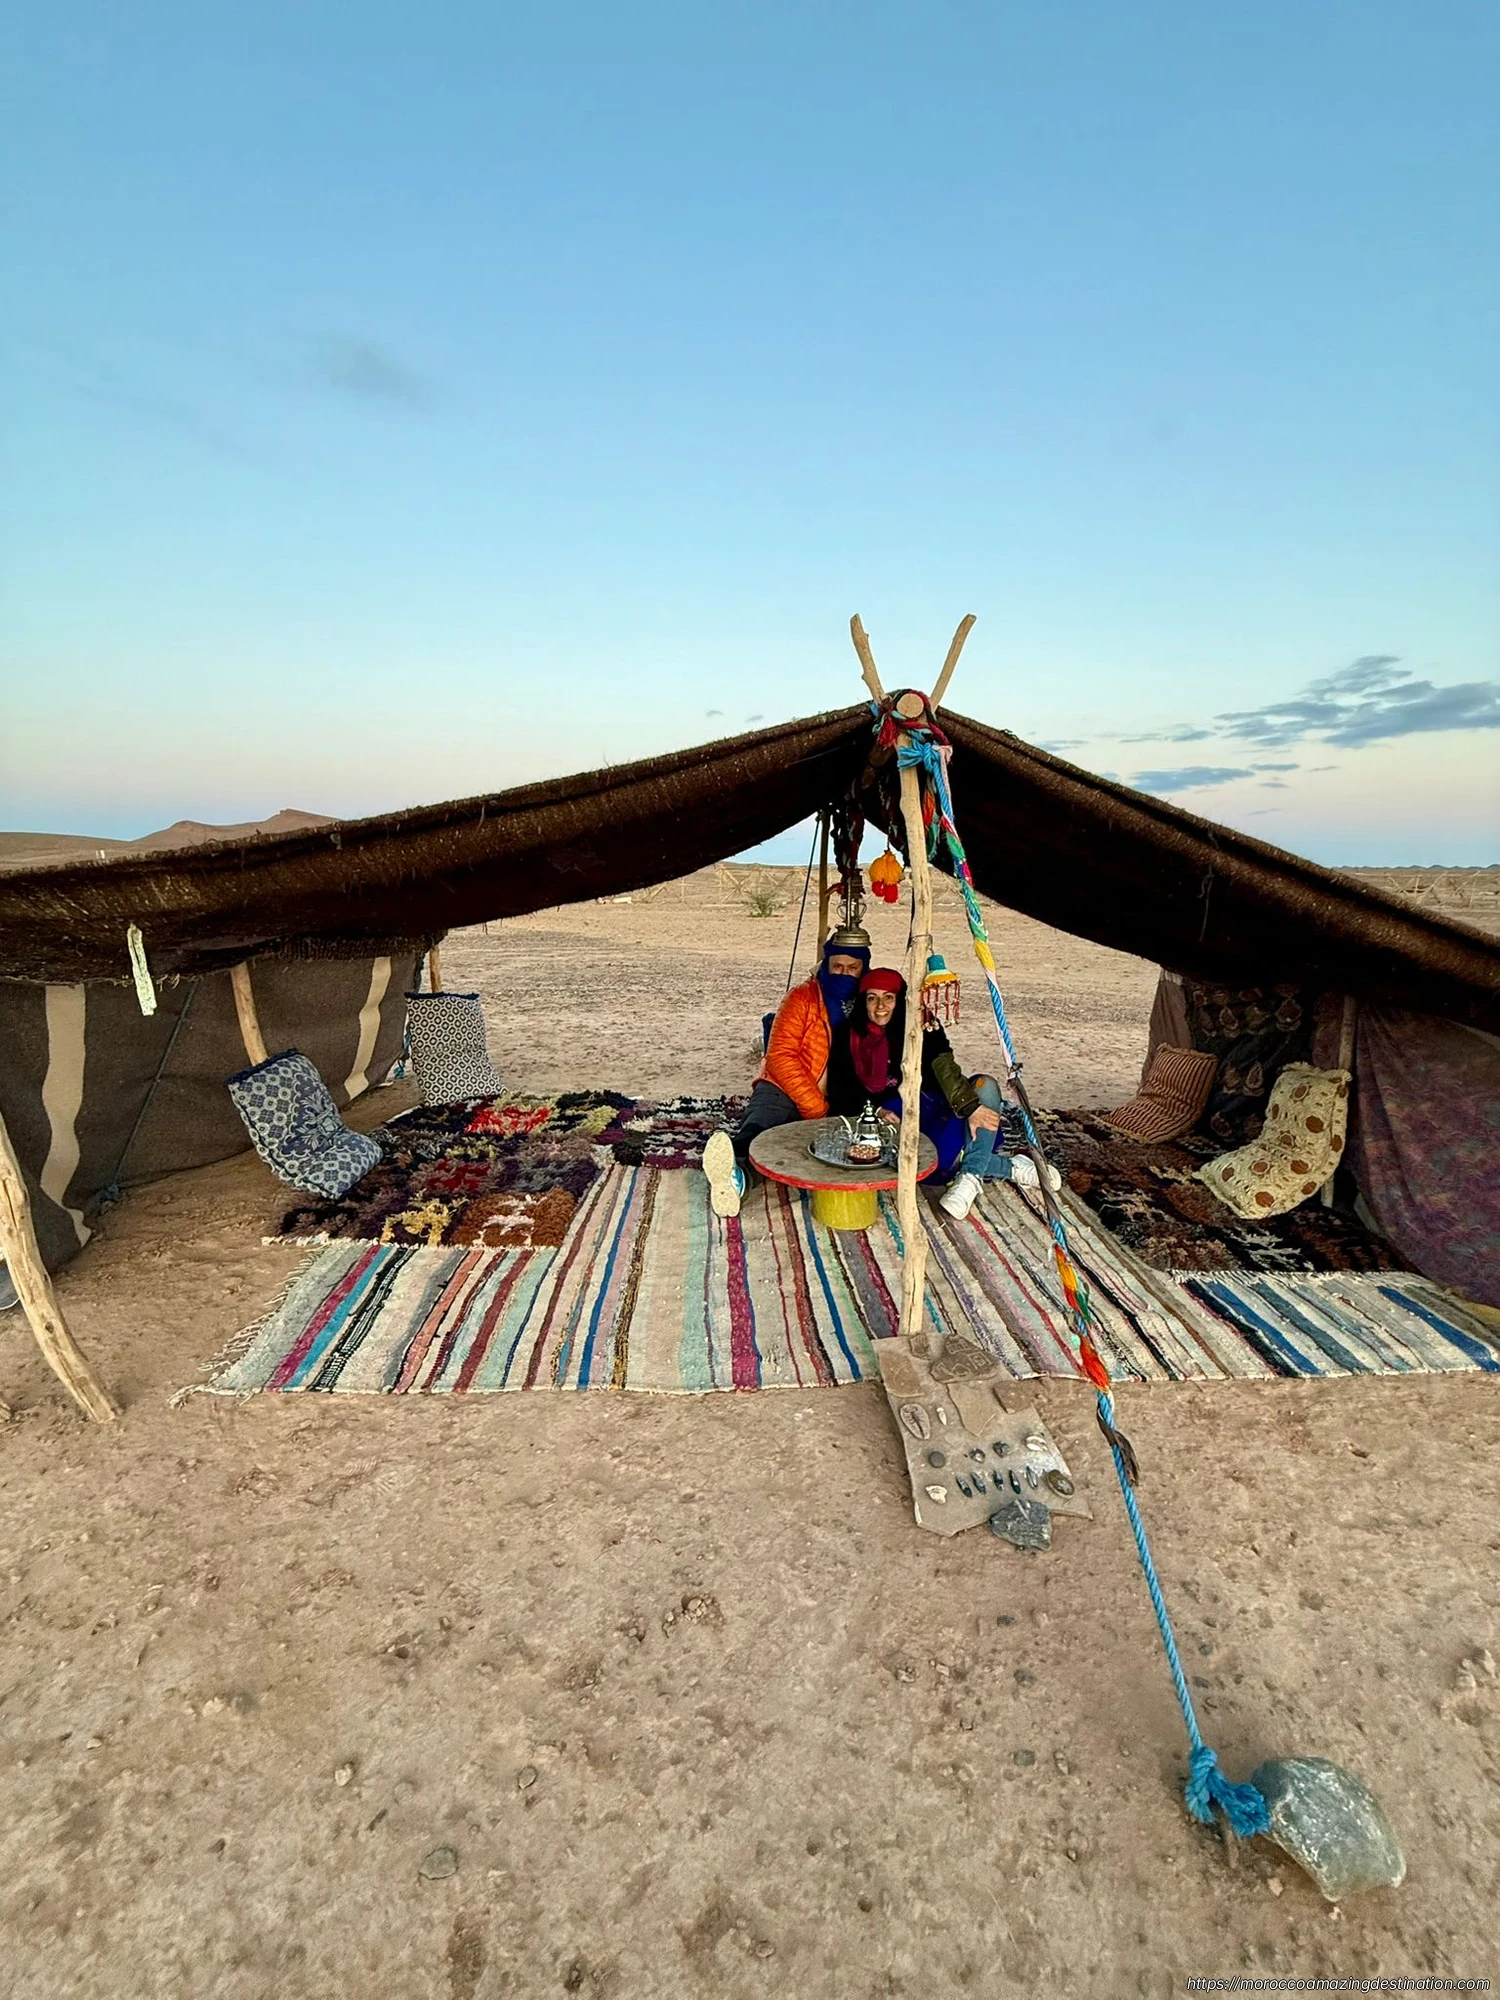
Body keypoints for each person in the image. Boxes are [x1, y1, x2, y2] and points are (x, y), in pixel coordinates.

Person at [825, 967, 1061, 1220]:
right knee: (928, 1162)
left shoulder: (922, 1023)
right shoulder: (848, 1034)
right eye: (872, 998)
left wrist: (970, 1107)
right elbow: (840, 1088)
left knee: (986, 1087)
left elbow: (943, 1063)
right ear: (863, 1002)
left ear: (900, 1000)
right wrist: (878, 1110)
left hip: (933, 1102)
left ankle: (969, 1180)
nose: (880, 1006)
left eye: (889, 997)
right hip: (890, 1114)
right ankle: (1009, 1168)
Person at [701, 927, 870, 1218]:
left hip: (839, 1095)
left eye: (852, 968)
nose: (844, 974)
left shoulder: (869, 1000)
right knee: (762, 1131)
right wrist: (813, 1105)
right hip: (785, 1084)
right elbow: (780, 1056)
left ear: (863, 969)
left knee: (807, 1150)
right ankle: (734, 1175)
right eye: (837, 966)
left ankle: (741, 1177)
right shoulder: (802, 997)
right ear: (826, 965)